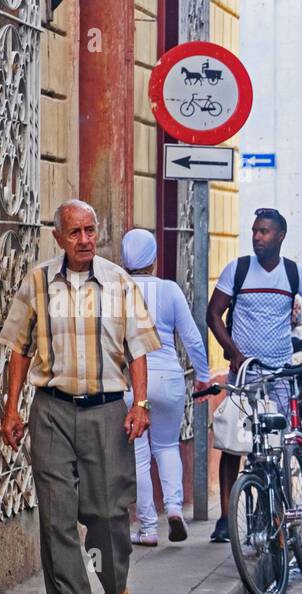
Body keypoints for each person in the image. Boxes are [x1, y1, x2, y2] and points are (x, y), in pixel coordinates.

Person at [0, 200, 161, 594]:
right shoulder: (38, 282)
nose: (85, 239)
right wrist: (11, 408)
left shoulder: (119, 282)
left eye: (91, 230)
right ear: (58, 237)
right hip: (50, 408)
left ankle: (114, 579)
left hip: (106, 410)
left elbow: (138, 347)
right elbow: (18, 348)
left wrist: (140, 404)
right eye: (75, 232)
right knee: (56, 513)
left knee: (107, 511)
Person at [205, 208, 302, 543]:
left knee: (277, 448)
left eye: (265, 232)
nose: (258, 237)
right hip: (245, 375)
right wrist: (233, 352)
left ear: (280, 236)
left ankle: (272, 513)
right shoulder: (238, 270)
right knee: (234, 445)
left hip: (281, 375)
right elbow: (213, 314)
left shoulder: (292, 274)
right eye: (255, 231)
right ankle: (227, 518)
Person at [119, 229, 211, 546]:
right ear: (155, 260)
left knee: (139, 455)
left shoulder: (117, 289)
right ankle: (173, 507)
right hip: (170, 377)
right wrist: (203, 374)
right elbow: (192, 337)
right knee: (167, 446)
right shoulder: (169, 290)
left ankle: (147, 529)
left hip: (132, 381)